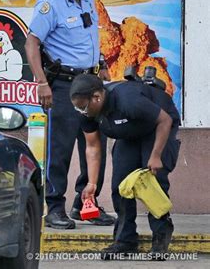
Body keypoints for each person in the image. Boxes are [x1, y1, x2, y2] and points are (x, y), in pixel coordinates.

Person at [24, 0, 115, 229]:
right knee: (59, 148)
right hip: (62, 84)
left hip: (89, 82)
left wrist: (103, 64)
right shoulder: (50, 3)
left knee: (95, 144)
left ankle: (86, 203)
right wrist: (42, 83)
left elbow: (90, 36)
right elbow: (31, 43)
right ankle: (53, 207)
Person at [71, 74, 181, 259]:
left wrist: (155, 156)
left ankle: (160, 239)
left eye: (83, 107)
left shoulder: (128, 100)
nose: (81, 111)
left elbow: (165, 121)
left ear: (97, 97)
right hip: (129, 134)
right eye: (78, 108)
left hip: (158, 127)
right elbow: (93, 147)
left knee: (153, 182)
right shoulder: (87, 112)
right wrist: (91, 183)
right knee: (120, 186)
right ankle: (125, 242)